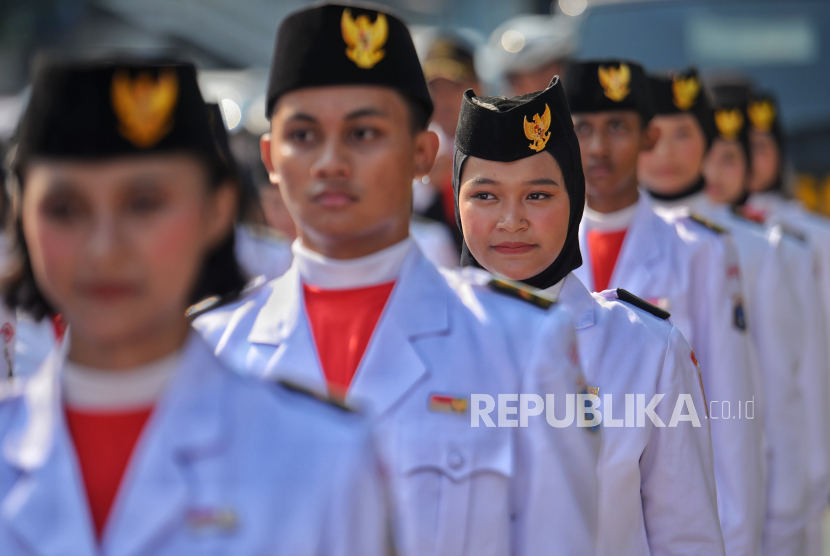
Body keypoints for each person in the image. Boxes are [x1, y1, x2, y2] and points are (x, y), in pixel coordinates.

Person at [194, 4, 600, 554]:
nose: (330, 162)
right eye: (304, 135)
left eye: (364, 132)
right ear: (271, 157)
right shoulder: (210, 351)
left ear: (422, 152)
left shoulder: (520, 345)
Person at [0, 57, 389, 555]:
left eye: (144, 204)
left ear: (217, 210)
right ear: (20, 216)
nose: (104, 248)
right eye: (65, 209)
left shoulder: (320, 457)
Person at [452, 76, 724, 555]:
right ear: (456, 201)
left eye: (538, 195)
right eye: (485, 195)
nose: (511, 219)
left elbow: (687, 537)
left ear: (575, 198)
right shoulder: (415, 341)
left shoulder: (644, 348)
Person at [563, 60, 765, 556]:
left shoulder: (701, 251)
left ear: (648, 137)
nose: (598, 148)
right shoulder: (541, 249)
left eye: (617, 127)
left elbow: (730, 413)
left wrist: (735, 541)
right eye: (582, 129)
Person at [641, 74, 821, 556]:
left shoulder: (753, 250)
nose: (668, 153)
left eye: (685, 134)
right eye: (655, 136)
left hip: (733, 508)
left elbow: (785, 395)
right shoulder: (590, 242)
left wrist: (783, 524)